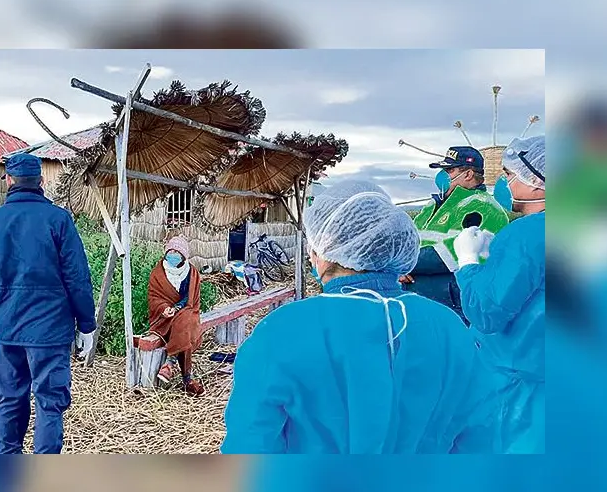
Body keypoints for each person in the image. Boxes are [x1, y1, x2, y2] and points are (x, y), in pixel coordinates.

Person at [222, 180, 499, 454]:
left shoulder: (280, 331)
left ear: (322, 253)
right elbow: (479, 435)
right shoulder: (448, 326)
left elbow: (249, 447)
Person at [0, 153, 97, 454]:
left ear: (9, 181)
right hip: (50, 331)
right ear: (41, 181)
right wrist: (86, 324)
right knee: (49, 403)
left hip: (8, 328)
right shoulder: (59, 220)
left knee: (9, 398)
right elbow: (77, 277)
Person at [454, 135, 545, 454]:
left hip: (517, 387)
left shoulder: (526, 235)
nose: (505, 182)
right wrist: (498, 259)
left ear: (537, 183)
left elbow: (486, 311)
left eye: (510, 174)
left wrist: (467, 262)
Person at [401, 146, 509, 322]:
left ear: (468, 174)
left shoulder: (485, 207)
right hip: (418, 300)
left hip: (453, 306)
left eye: (449, 170)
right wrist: (397, 267)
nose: (442, 176)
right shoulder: (432, 205)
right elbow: (407, 240)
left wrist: (404, 265)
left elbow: (454, 252)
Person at [148, 236, 205, 396]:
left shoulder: (192, 273)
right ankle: (187, 379)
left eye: (176, 252)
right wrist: (164, 308)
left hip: (187, 311)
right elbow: (153, 297)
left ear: (183, 255)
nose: (172, 254)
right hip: (165, 318)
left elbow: (190, 298)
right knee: (184, 326)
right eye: (170, 251)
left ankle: (170, 362)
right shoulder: (158, 273)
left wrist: (178, 307)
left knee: (185, 320)